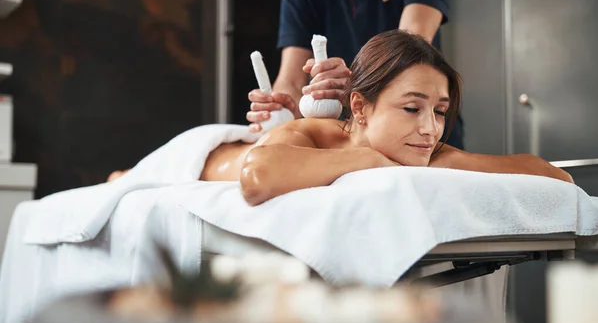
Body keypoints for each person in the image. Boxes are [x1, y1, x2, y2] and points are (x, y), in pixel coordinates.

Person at [198, 30, 572, 206]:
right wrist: (371, 160)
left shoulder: (428, 151)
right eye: (412, 108)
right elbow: (257, 178)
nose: (430, 128)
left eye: (440, 112)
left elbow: (555, 176)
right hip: (202, 154)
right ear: (359, 107)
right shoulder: (309, 132)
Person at [246, 0, 465, 149]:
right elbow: (291, 81)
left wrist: (355, 85)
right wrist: (282, 106)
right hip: (347, 139)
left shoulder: (428, 128)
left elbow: (410, 55)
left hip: (419, 137)